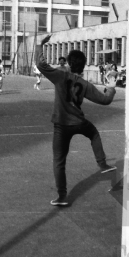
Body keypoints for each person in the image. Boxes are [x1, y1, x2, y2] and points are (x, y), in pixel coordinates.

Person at [35, 34, 117, 207]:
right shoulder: (85, 84)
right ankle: (102, 164)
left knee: (59, 161)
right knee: (93, 132)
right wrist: (111, 87)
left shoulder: (60, 76)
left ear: (69, 63)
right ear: (84, 65)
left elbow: (40, 64)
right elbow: (105, 100)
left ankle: (62, 196)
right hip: (79, 122)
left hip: (61, 125)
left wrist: (40, 44)